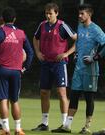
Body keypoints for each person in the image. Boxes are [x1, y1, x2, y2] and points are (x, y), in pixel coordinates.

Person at [52, 3, 105, 134]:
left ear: (89, 14)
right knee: (74, 96)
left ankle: (86, 127)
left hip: (90, 70)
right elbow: (78, 43)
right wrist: (75, 54)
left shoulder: (96, 30)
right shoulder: (80, 27)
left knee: (89, 98)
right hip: (78, 69)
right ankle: (67, 126)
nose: (80, 16)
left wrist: (95, 57)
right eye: (79, 13)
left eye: (83, 13)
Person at [0, 7, 33, 135]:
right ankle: (18, 129)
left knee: (3, 100)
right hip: (16, 71)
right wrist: (25, 67)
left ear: (3, 19)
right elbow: (30, 52)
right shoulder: (21, 33)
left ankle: (5, 129)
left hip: (2, 69)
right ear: (14, 19)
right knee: (15, 100)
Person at [31, 2, 77, 132]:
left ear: (56, 13)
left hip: (59, 64)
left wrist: (66, 53)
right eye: (46, 13)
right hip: (46, 63)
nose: (48, 15)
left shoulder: (62, 26)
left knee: (62, 93)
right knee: (44, 92)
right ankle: (44, 123)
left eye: (50, 13)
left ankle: (65, 124)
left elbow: (77, 39)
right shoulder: (42, 25)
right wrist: (38, 52)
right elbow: (35, 38)